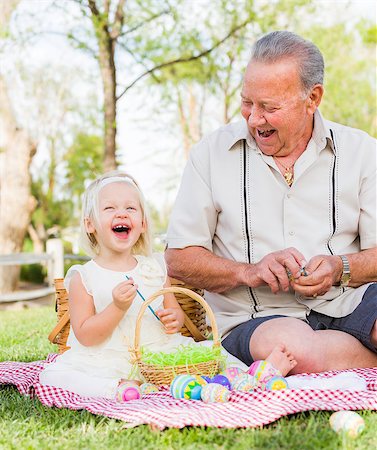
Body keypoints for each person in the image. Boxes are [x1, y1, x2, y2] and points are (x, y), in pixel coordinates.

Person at [165, 30, 377, 375]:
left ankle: (340, 361)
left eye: (269, 107)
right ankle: (349, 362)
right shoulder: (210, 154)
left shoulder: (363, 151)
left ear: (313, 98)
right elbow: (179, 260)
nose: (252, 118)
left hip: (347, 300)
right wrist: (249, 272)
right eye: (247, 102)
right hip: (255, 318)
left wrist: (341, 268)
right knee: (291, 351)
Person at [40, 170, 298, 399]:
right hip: (109, 360)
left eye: (131, 208)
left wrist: (172, 319)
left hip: (162, 355)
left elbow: (174, 313)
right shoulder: (84, 276)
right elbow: (85, 335)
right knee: (52, 375)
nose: (121, 213)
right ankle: (115, 388)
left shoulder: (155, 266)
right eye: (109, 209)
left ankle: (255, 375)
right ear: (89, 225)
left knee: (212, 351)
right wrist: (117, 307)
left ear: (142, 224)